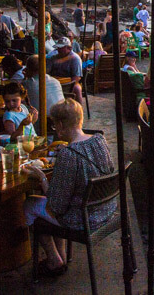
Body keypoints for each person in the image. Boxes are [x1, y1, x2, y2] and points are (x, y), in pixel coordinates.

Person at [22, 99, 115, 277]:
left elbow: (56, 206)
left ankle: (54, 259)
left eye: (55, 125)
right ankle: (61, 256)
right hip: (106, 210)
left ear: (62, 124)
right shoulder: (99, 140)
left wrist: (41, 177)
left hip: (84, 219)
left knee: (30, 204)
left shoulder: (68, 154)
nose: (55, 130)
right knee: (55, 204)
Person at [49, 37, 83, 103]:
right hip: (54, 83)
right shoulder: (53, 57)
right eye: (58, 48)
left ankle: (79, 110)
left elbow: (76, 78)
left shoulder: (75, 59)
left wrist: (64, 84)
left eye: (62, 48)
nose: (59, 49)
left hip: (69, 84)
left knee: (77, 88)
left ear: (69, 48)